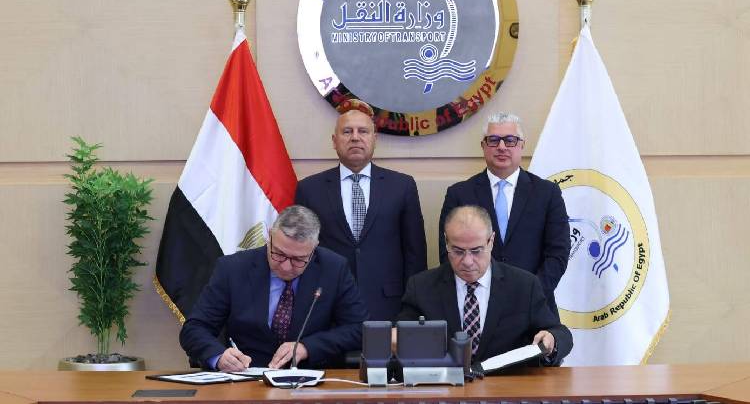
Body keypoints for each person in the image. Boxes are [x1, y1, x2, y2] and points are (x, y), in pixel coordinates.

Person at [179, 205, 368, 371]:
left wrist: (308, 347)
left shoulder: (333, 268)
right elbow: (194, 329)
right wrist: (219, 356)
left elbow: (359, 329)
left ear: (314, 248)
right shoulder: (233, 269)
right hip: (246, 377)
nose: (285, 266)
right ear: (269, 236)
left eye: (298, 259)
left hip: (310, 379)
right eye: (279, 254)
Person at [295, 99, 427, 322]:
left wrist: (412, 307)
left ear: (374, 139)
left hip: (389, 305)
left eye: (363, 131)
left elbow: (415, 253)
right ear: (334, 141)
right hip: (328, 306)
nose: (355, 137)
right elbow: (300, 252)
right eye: (347, 131)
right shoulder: (309, 189)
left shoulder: (402, 186)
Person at [399, 205, 572, 366]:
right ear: (446, 241)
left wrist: (551, 339)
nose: (467, 261)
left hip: (506, 385)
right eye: (458, 251)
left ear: (491, 241)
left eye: (476, 251)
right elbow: (400, 341)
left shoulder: (524, 286)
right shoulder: (421, 287)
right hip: (445, 385)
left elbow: (561, 334)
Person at [438, 112, 570, 314]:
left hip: (534, 307)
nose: (501, 147)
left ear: (521, 145)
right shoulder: (459, 194)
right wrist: (479, 293)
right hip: (476, 307)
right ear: (483, 146)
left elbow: (558, 254)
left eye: (510, 140)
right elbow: (448, 252)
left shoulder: (547, 193)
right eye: (493, 140)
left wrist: (530, 296)